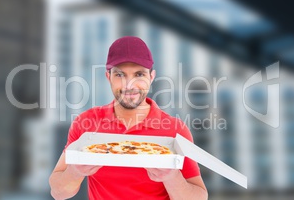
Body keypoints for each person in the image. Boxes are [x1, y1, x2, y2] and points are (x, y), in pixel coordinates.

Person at [49, 36, 208, 200]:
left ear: (151, 77)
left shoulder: (175, 129)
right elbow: (58, 193)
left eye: (139, 74)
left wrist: (172, 177)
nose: (129, 84)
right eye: (119, 74)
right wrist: (75, 172)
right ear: (108, 77)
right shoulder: (86, 124)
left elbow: (200, 197)